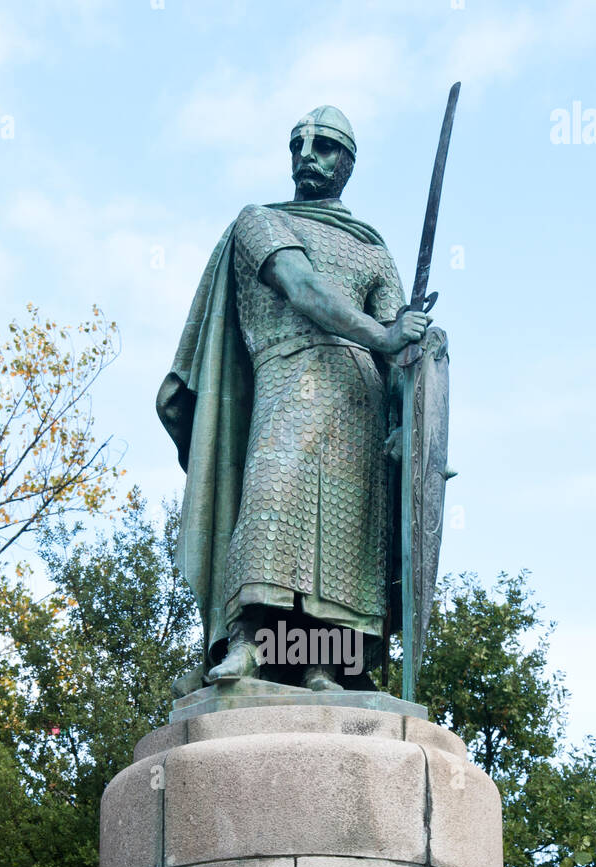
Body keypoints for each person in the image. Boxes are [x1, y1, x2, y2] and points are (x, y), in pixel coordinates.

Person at [157, 106, 429, 691]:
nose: (308, 155)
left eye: (326, 146)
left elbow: (398, 346)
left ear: (349, 162)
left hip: (360, 401)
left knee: (348, 541)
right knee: (271, 508)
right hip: (289, 379)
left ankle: (324, 665)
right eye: (299, 145)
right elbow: (303, 288)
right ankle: (251, 647)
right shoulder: (260, 221)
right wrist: (385, 334)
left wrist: (416, 403)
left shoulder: (372, 250)